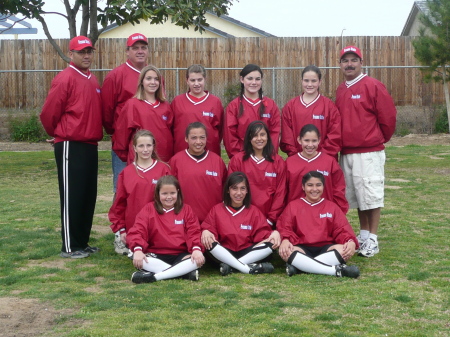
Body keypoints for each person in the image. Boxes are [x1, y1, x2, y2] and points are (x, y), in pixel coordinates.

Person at [40, 36, 102, 259]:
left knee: (87, 195)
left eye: (89, 52)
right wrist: (56, 134)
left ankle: (82, 242)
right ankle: (69, 246)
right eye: (81, 52)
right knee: (72, 196)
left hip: (90, 144)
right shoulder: (65, 78)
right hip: (70, 144)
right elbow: (49, 112)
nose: (86, 56)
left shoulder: (92, 79)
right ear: (71, 54)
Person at [336, 46, 397, 257]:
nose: (349, 64)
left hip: (368, 152)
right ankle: (363, 234)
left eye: (354, 60)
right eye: (345, 60)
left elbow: (388, 118)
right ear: (340, 64)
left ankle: (373, 238)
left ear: (361, 62)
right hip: (347, 152)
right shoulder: (341, 89)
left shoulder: (373, 85)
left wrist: (376, 139)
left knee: (371, 195)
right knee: (358, 196)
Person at [278, 171, 360, 278]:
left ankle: (300, 267)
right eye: (310, 185)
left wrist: (350, 241)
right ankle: (335, 271)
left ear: (323, 186)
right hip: (301, 249)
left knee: (345, 250)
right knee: (286, 251)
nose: (314, 189)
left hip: (327, 249)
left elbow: (342, 229)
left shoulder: (332, 207)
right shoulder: (293, 206)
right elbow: (285, 227)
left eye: (318, 185)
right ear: (303, 187)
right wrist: (285, 240)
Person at [127, 175, 205, 283]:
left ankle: (154, 277)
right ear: (158, 194)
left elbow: (194, 231)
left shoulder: (186, 210)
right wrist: (138, 250)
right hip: (156, 254)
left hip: (180, 256)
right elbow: (138, 230)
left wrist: (196, 249)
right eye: (164, 193)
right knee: (138, 258)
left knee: (197, 260)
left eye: (172, 193)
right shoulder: (149, 209)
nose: (169, 197)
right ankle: (182, 273)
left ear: (178, 192)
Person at [201, 172, 280, 275]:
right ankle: (248, 268)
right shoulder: (217, 210)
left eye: (242, 188)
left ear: (247, 190)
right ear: (228, 190)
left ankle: (231, 267)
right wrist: (206, 231)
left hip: (247, 251)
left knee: (272, 243)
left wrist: (274, 233)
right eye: (234, 188)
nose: (239, 193)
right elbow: (209, 230)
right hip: (225, 252)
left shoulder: (253, 211)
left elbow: (263, 235)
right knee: (208, 242)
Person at [109, 130, 171, 255]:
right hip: (135, 228)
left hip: (160, 227)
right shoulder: (126, 173)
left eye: (149, 145)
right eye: (141, 146)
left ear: (153, 146)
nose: (145, 149)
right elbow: (119, 204)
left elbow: (172, 201)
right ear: (134, 148)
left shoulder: (164, 169)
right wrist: (122, 230)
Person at [101, 33, 150, 193]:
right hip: (125, 142)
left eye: (143, 47)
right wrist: (115, 133)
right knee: (123, 188)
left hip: (149, 145)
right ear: (127, 51)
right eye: (135, 48)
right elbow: (106, 111)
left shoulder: (153, 76)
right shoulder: (116, 75)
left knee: (148, 189)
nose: (140, 51)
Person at [228, 121, 286, 226]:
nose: (259, 139)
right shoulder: (237, 160)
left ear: (268, 137)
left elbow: (280, 193)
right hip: (243, 219)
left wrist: (271, 219)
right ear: (249, 139)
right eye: (255, 135)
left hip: (269, 221)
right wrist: (241, 215)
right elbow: (233, 190)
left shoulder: (278, 162)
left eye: (262, 135)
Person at [113, 65, 173, 164]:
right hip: (140, 159)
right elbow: (121, 134)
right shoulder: (132, 104)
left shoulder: (165, 106)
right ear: (142, 82)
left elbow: (169, 133)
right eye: (149, 78)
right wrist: (129, 155)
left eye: (156, 79)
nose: (153, 82)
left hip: (163, 159)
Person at [169, 122, 227, 223]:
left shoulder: (217, 161)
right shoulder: (176, 161)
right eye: (194, 138)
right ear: (186, 139)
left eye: (202, 137)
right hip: (183, 220)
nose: (198, 141)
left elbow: (226, 190)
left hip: (212, 221)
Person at [281, 65, 341, 158]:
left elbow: (334, 136)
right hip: (298, 159)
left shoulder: (329, 106)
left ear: (320, 82)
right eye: (306, 80)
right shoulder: (290, 106)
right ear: (301, 81)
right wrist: (298, 156)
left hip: (323, 160)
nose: (309, 84)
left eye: (313, 81)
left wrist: (320, 156)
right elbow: (287, 137)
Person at [285, 124, 348, 214]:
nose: (310, 145)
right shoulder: (289, 163)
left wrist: (339, 212)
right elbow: (283, 192)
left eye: (314, 141)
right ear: (299, 140)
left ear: (319, 140)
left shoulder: (330, 162)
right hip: (297, 214)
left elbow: (338, 190)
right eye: (306, 140)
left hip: (324, 214)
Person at [223, 64, 281, 159]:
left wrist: (269, 155)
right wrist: (239, 157)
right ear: (242, 79)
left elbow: (274, 133)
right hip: (243, 158)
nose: (254, 82)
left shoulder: (271, 105)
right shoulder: (234, 106)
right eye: (250, 78)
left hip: (265, 157)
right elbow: (230, 136)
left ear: (261, 80)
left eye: (257, 79)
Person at [171, 64, 224, 156]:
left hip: (209, 152)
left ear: (205, 79)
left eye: (199, 80)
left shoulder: (215, 102)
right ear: (187, 81)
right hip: (182, 152)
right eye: (192, 80)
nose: (196, 84)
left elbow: (221, 129)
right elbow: (171, 128)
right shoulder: (177, 101)